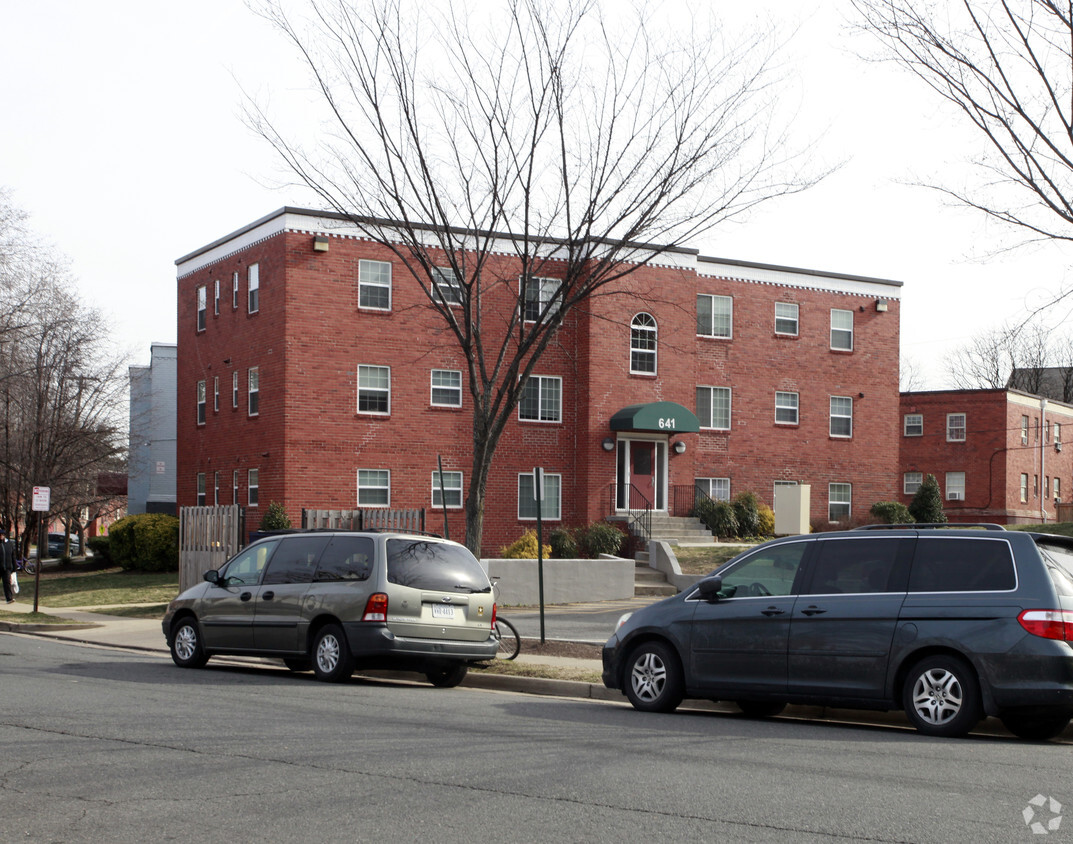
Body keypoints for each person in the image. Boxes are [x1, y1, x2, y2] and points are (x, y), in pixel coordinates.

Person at [0, 528, 14, 603]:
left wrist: (14, 568)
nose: (1, 536)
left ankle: (9, 598)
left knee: (7, 583)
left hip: (7, 568)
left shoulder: (9, 544)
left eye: (2, 535)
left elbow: (13, 556)